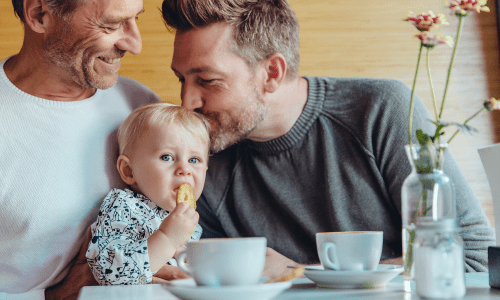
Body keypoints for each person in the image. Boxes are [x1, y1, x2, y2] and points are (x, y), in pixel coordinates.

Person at [160, 0, 496, 278]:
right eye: (181, 79)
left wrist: (299, 273)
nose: (187, 102)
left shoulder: (380, 111)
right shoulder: (200, 160)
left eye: (207, 80)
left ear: (272, 73)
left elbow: (470, 256)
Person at [0, 0, 184, 299]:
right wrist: (57, 296)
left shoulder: (141, 107)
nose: (134, 44)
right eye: (111, 25)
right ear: (39, 15)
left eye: (135, 19)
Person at [86, 103, 210, 285]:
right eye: (167, 157)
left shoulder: (191, 222)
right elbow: (109, 273)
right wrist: (167, 239)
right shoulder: (123, 207)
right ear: (129, 170)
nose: (185, 169)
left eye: (194, 160)